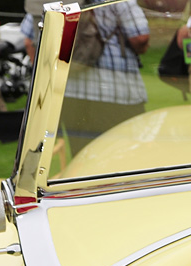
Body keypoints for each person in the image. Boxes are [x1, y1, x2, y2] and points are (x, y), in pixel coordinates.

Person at [62, 1, 150, 155]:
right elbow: (140, 37)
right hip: (116, 93)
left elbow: (29, 39)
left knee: (82, 159)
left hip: (71, 94)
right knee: (125, 157)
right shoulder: (120, 2)